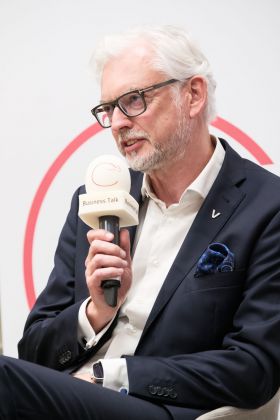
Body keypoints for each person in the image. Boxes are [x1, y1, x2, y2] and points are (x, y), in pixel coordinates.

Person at [1, 24, 280, 420]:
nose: (116, 123)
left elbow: (255, 368)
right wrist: (95, 313)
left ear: (193, 94)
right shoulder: (94, 201)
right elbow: (34, 351)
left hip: (163, 407)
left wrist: (110, 375)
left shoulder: (267, 206)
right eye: (107, 109)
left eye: (133, 101)